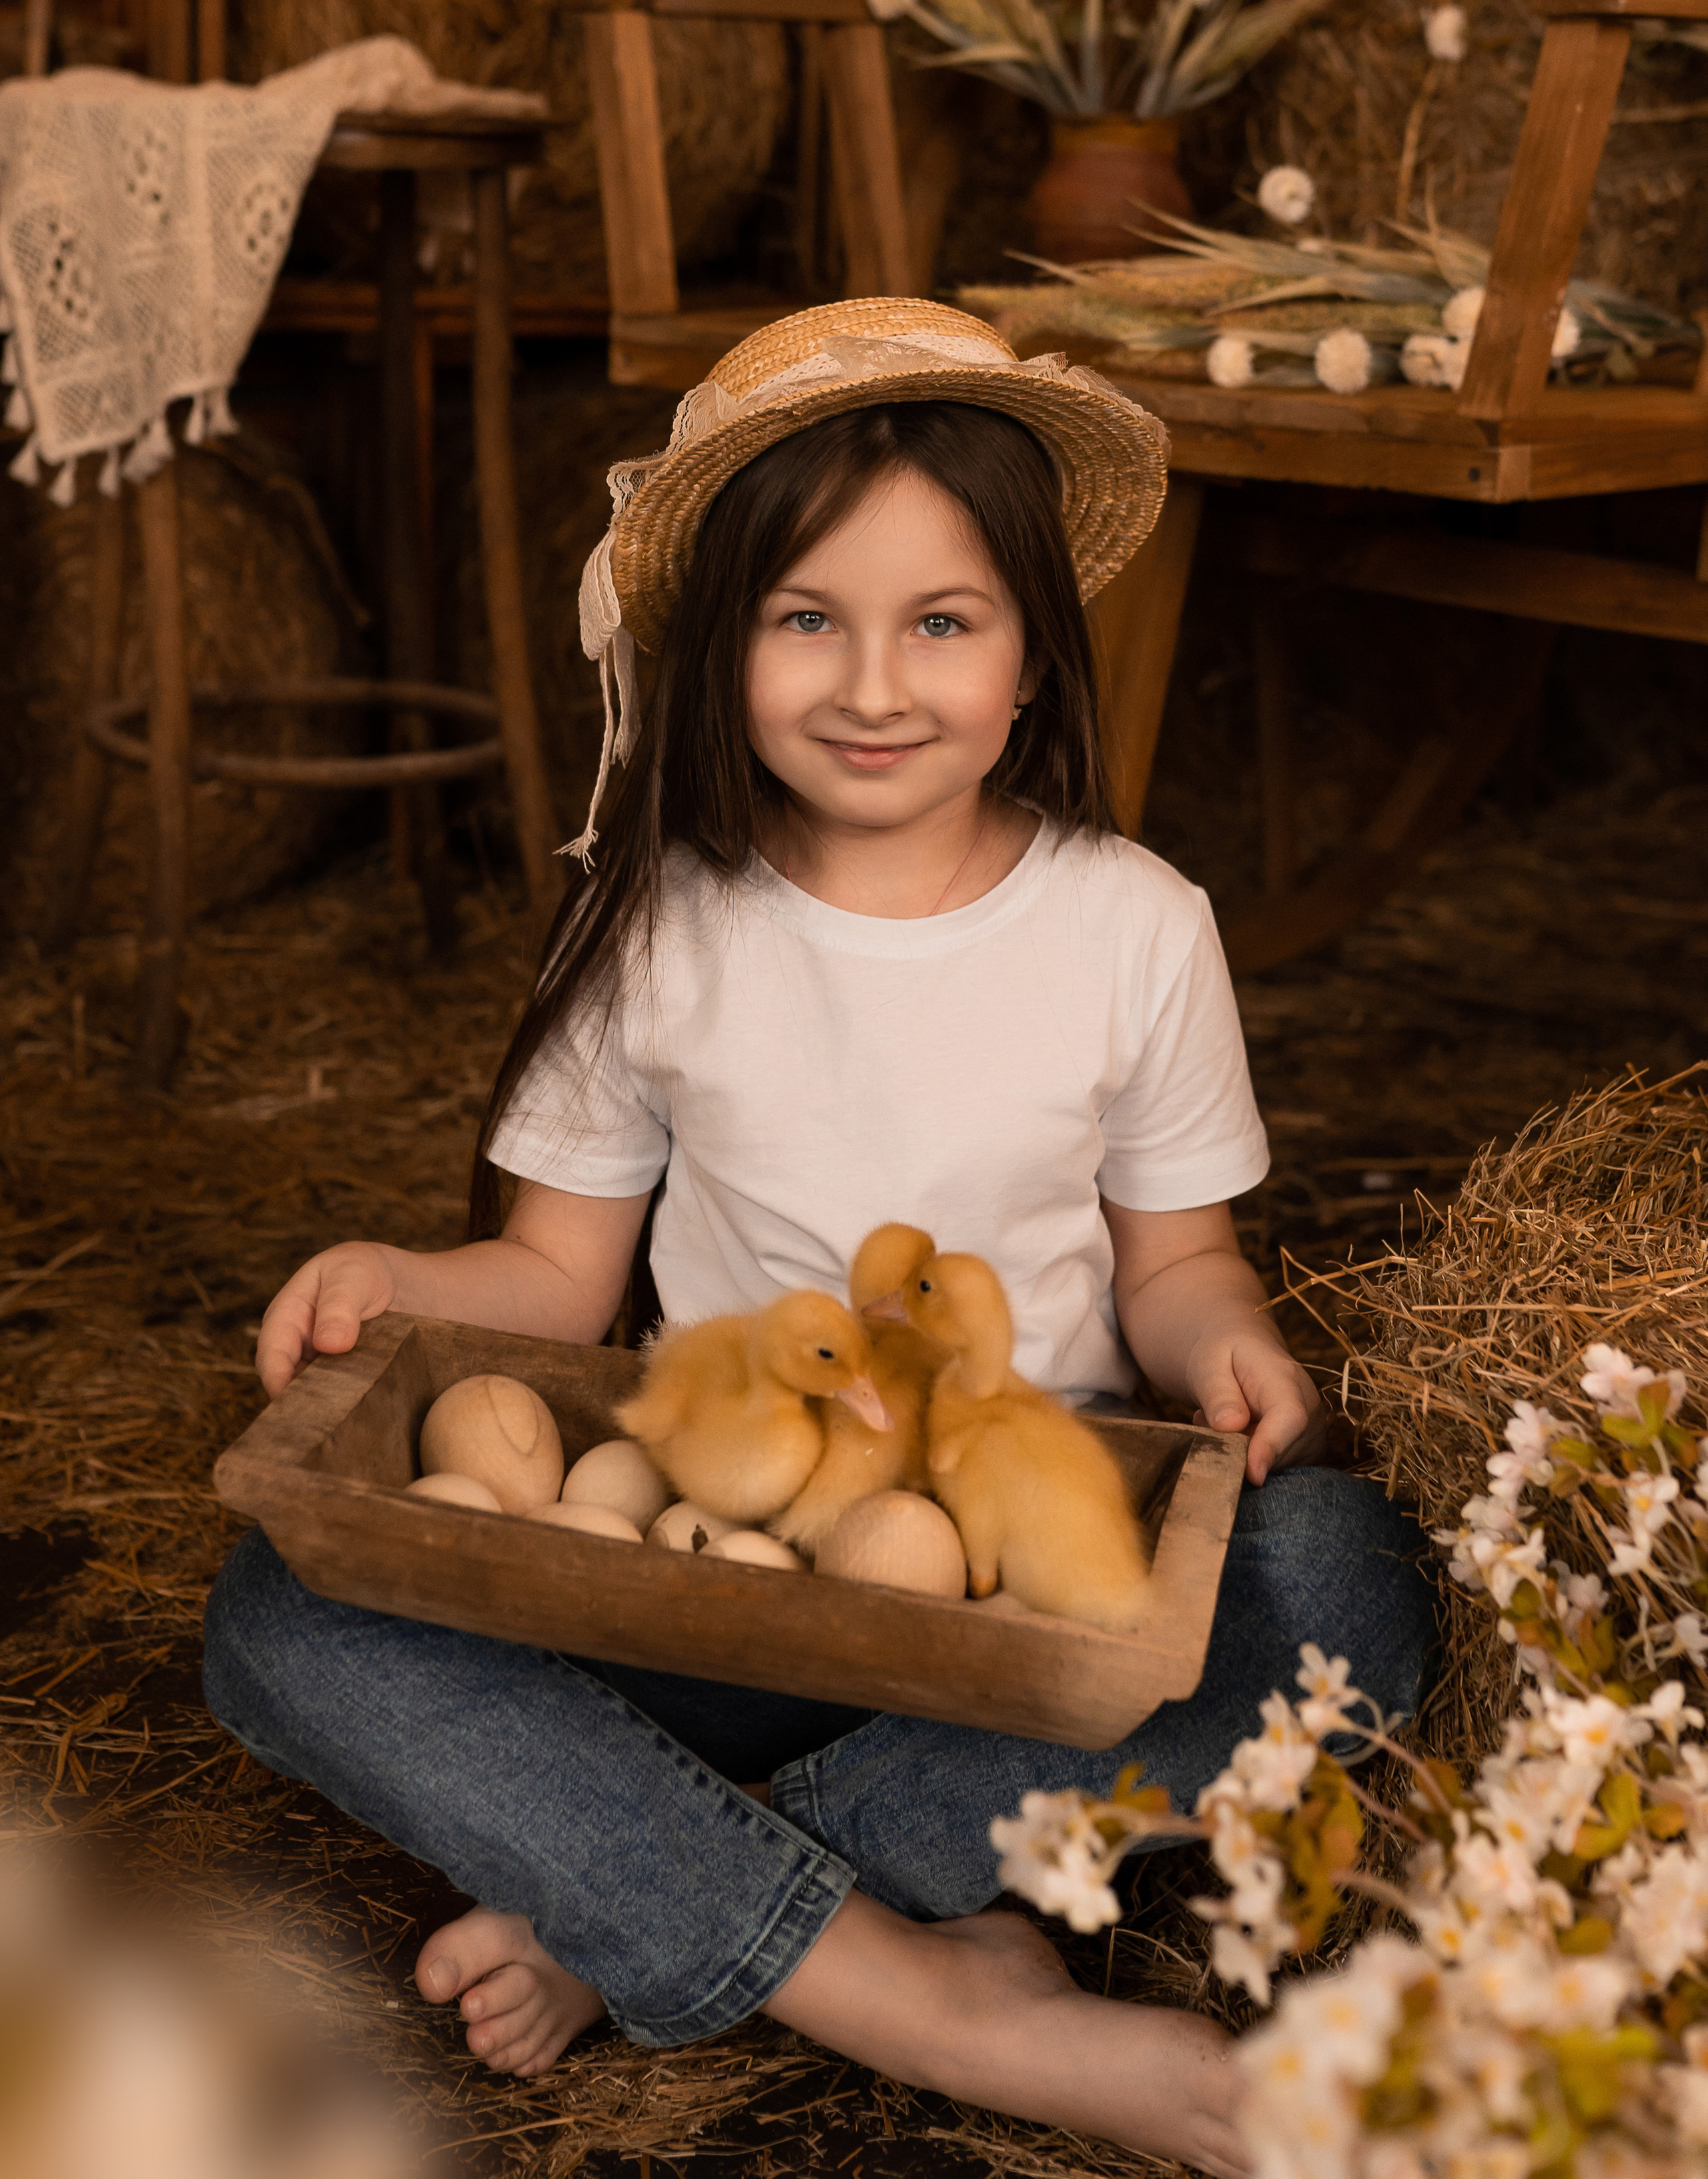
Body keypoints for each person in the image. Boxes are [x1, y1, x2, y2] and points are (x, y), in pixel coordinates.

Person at [203, 300, 1431, 2179]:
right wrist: (400, 1285)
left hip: (1037, 1615)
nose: (874, 683)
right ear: (724, 647)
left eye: (942, 622)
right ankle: (939, 1995)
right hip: (710, 1579)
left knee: (1349, 1580)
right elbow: (554, 1283)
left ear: (1034, 653)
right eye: (806, 620)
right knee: (284, 1615)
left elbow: (1178, 1263)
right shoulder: (658, 925)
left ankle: (640, 1900)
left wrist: (1230, 1343)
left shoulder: (1134, 927)